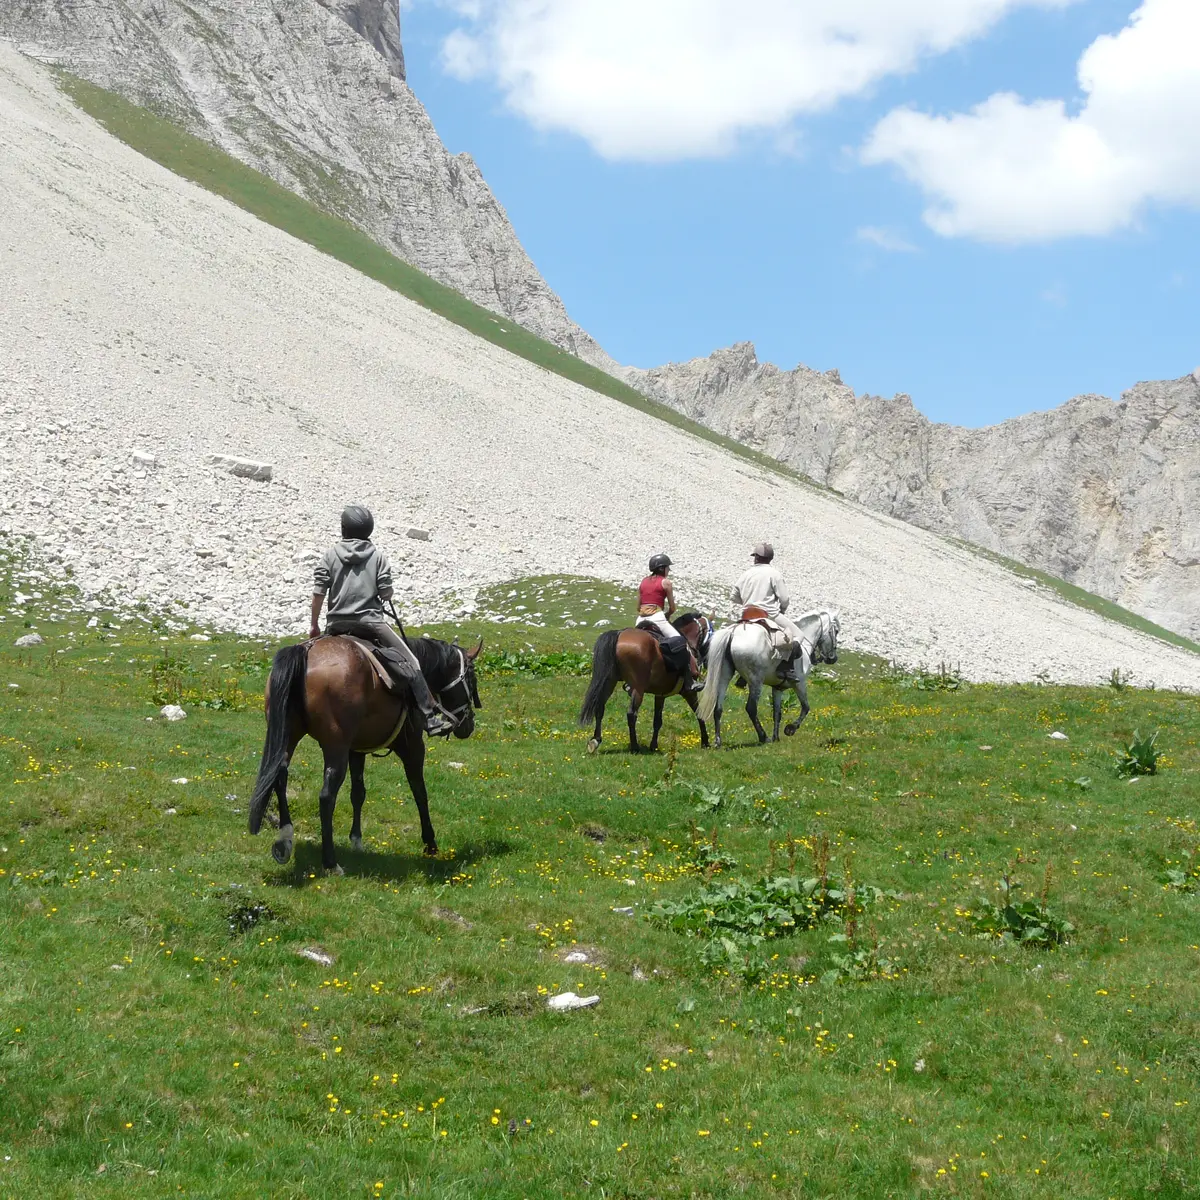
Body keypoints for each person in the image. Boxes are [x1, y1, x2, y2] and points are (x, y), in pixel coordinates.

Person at [310, 505, 454, 736]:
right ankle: (429, 717)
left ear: (343, 529)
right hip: (370, 623)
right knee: (412, 662)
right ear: (369, 529)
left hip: (336, 625)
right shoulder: (377, 556)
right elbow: (386, 592)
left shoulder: (330, 555)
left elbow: (319, 592)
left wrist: (314, 624)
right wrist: (383, 592)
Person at [731, 542, 804, 678]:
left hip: (747, 615)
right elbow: (784, 599)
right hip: (768, 614)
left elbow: (733, 596)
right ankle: (786, 668)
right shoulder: (774, 574)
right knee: (799, 635)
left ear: (756, 558)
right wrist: (782, 609)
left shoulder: (746, 573)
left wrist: (747, 602)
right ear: (770, 558)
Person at [637, 553, 700, 690]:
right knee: (681, 643)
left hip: (640, 619)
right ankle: (689, 680)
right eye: (667, 568)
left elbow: (638, 606)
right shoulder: (666, 583)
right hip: (657, 618)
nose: (669, 571)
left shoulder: (643, 582)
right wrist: (667, 615)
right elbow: (672, 608)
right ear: (662, 568)